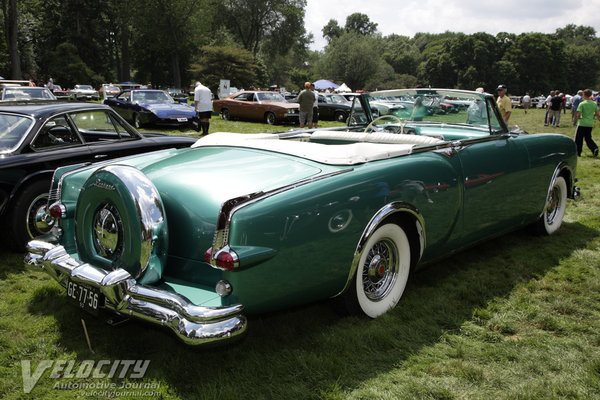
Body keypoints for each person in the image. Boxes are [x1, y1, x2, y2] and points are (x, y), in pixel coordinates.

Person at [574, 88, 600, 157]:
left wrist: (579, 117)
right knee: (588, 138)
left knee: (578, 138)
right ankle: (594, 148)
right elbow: (597, 114)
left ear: (584, 95)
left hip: (582, 123)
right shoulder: (594, 104)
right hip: (590, 123)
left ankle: (578, 152)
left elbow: (579, 114)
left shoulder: (582, 104)